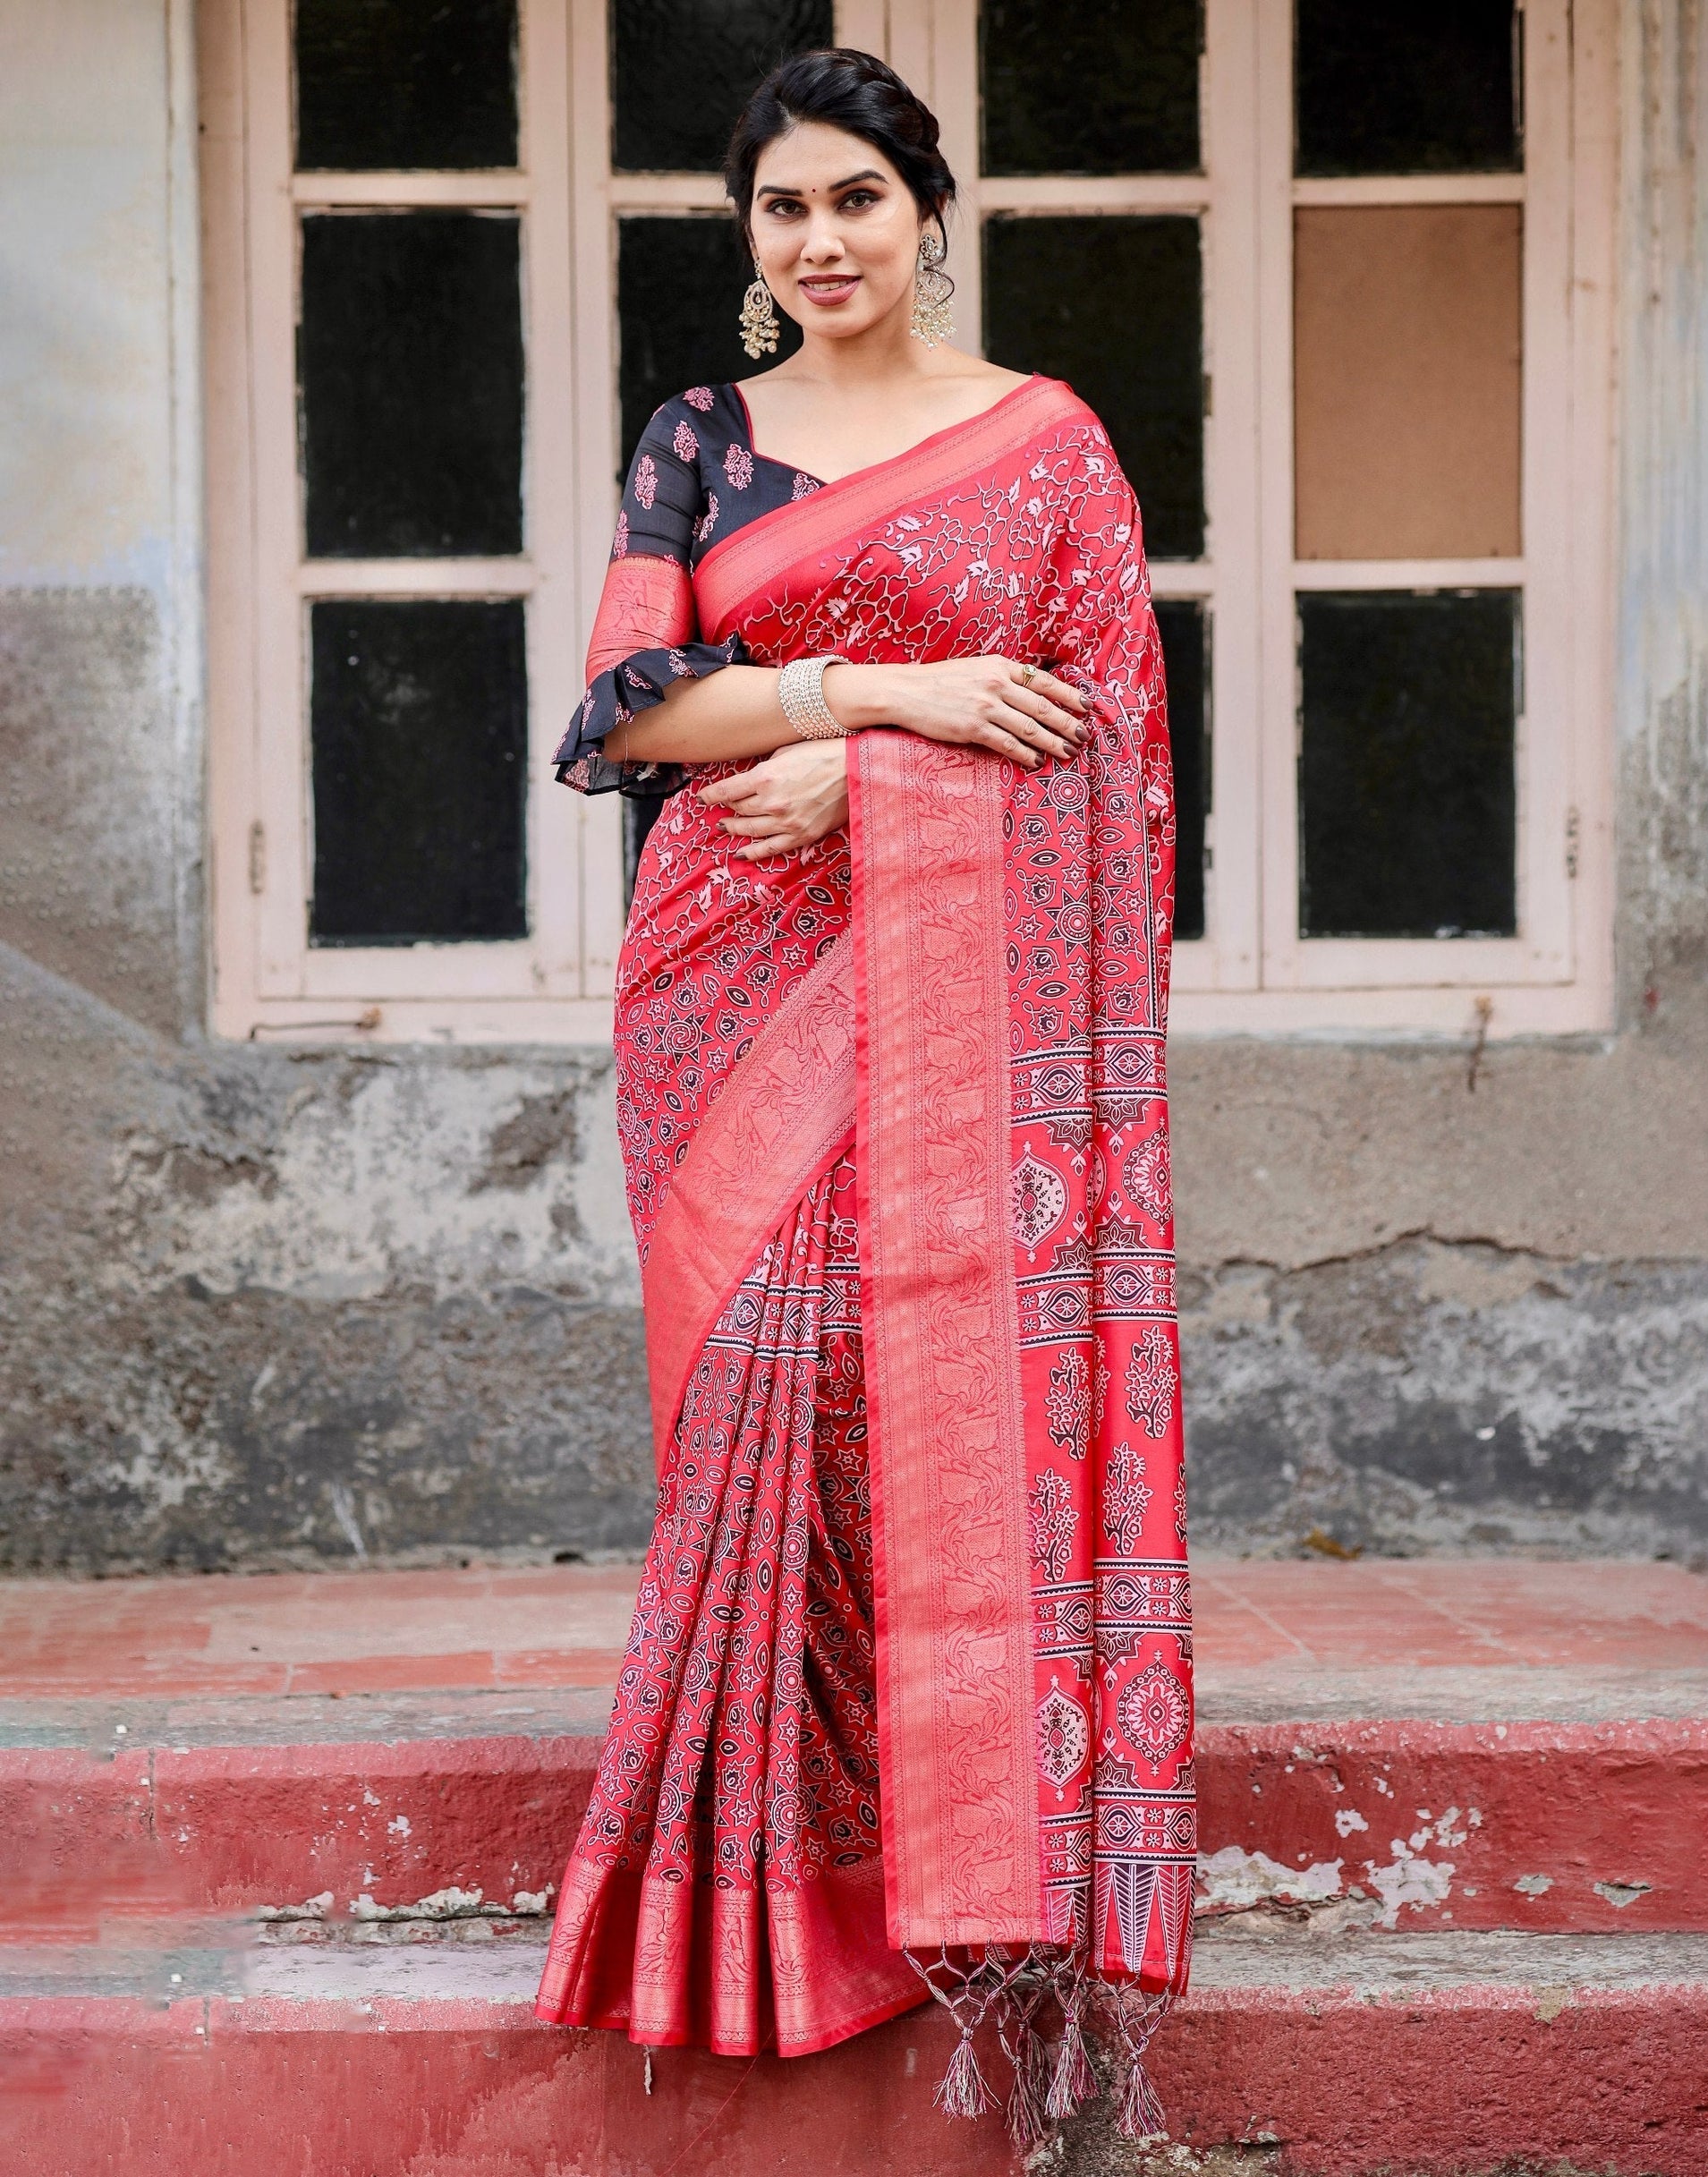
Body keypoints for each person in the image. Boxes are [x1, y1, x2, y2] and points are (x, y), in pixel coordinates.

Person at [535, 47, 1193, 2146]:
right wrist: (880, 698)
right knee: (761, 1409)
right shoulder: (703, 438)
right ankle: (757, 1907)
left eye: (855, 202)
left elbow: (1111, 753)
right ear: (750, 244)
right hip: (721, 992)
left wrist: (877, 792)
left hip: (943, 1006)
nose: (818, 243)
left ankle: (956, 1863)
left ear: (928, 211)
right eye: (781, 212)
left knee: (900, 1412)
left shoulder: (1046, 443)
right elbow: (626, 716)